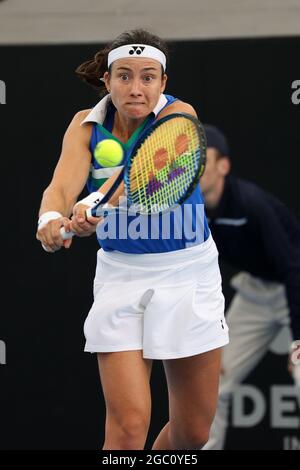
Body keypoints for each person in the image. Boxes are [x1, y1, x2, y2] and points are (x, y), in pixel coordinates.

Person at [36, 29, 229, 450]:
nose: (136, 88)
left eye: (147, 77)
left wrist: (94, 204)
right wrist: (51, 217)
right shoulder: (85, 126)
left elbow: (139, 174)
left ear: (163, 82)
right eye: (124, 76)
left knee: (193, 434)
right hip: (121, 277)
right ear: (107, 81)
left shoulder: (180, 115)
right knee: (126, 429)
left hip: (188, 274)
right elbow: (61, 185)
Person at [200, 124, 300, 450]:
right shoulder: (189, 210)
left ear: (223, 166)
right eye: (191, 160)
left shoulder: (252, 205)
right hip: (255, 295)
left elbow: (292, 269)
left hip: (294, 286)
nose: (196, 168)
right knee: (212, 382)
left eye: (205, 159)